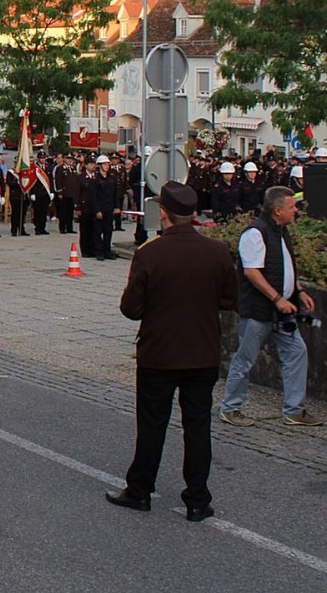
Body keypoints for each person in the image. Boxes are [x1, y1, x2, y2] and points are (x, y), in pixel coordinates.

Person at [106, 182, 237, 522]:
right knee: (198, 426)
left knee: (152, 424)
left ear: (163, 213)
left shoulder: (150, 253)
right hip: (202, 351)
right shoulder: (217, 251)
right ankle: (197, 498)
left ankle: (140, 490)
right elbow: (229, 299)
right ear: (193, 215)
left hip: (160, 353)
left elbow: (131, 308)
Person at [217, 187, 324, 428]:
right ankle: (229, 407)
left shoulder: (280, 231)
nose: (296, 210)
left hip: (281, 312)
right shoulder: (255, 234)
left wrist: (298, 291)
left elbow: (285, 267)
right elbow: (252, 273)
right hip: (259, 311)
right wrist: (277, 299)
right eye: (292, 207)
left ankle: (294, 410)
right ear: (278, 210)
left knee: (297, 352)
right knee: (245, 358)